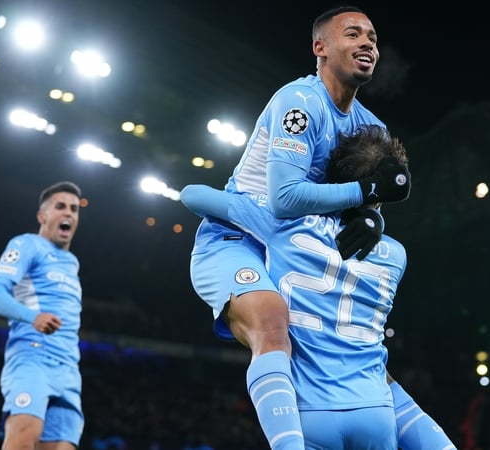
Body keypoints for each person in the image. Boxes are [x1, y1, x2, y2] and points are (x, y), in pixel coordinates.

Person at [186, 6, 426, 450]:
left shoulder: (372, 126)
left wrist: (372, 217)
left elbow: (369, 200)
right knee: (272, 319)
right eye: (353, 34)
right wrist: (368, 192)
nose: (368, 43)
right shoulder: (299, 103)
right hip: (240, 236)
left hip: (300, 242)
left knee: (362, 361)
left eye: (372, 37)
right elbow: (285, 199)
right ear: (320, 48)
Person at [182, 125, 457, 449]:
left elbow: (193, 195)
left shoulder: (286, 222)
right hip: (376, 412)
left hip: (310, 410)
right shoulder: (396, 255)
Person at [0, 181, 85, 450]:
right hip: (33, 356)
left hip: (68, 369)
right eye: (60, 207)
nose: (68, 214)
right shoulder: (27, 244)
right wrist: (32, 317)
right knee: (24, 437)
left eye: (74, 209)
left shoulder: (72, 263)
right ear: (42, 216)